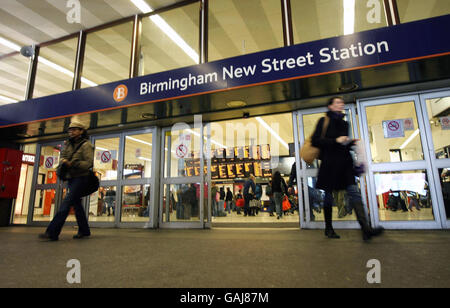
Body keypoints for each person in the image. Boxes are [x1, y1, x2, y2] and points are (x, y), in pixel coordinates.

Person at [311, 96, 383, 241]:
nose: (341, 104)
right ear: (330, 106)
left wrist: (351, 143)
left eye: (342, 102)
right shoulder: (323, 121)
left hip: (345, 164)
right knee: (329, 196)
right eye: (337, 102)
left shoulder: (345, 124)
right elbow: (316, 141)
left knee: (354, 193)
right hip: (329, 164)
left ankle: (365, 229)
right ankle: (329, 228)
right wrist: (335, 140)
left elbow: (343, 144)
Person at [39, 118, 94, 241]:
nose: (71, 132)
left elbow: (89, 163)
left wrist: (73, 164)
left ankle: (52, 232)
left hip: (81, 177)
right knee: (76, 204)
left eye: (74, 129)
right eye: (70, 130)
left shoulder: (87, 145)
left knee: (67, 202)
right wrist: (63, 161)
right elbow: (63, 156)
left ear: (81, 131)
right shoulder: (68, 144)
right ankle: (84, 230)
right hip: (71, 178)